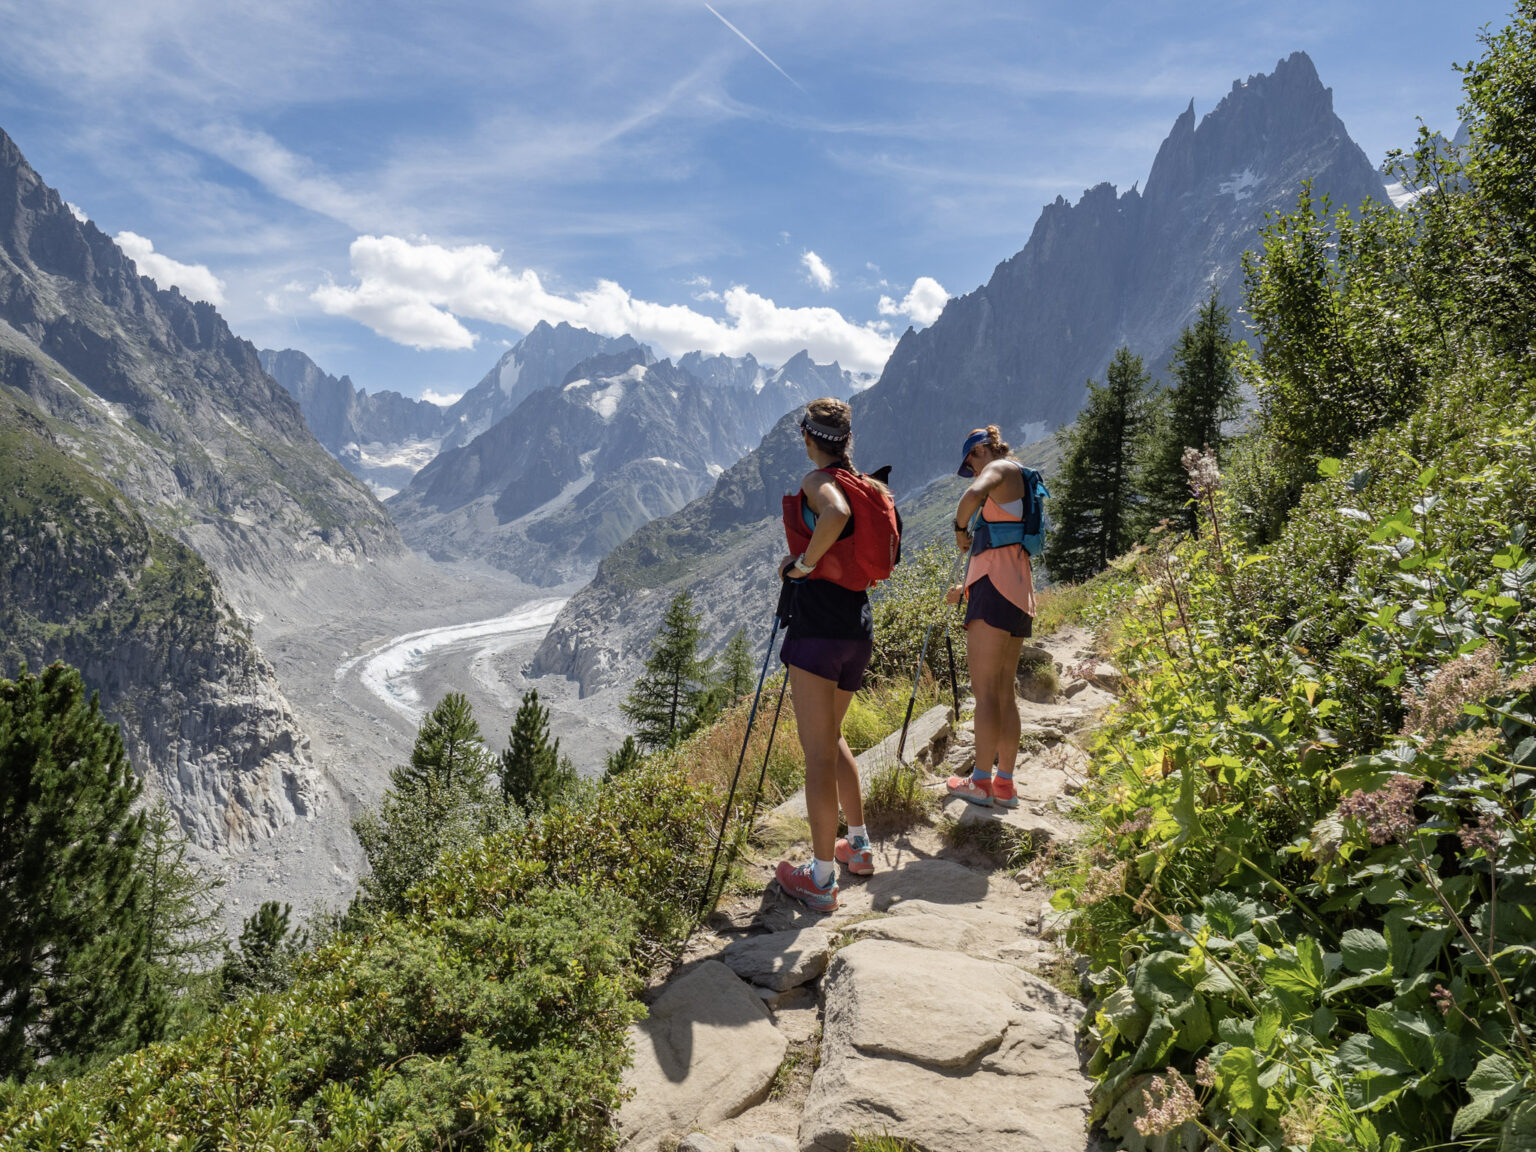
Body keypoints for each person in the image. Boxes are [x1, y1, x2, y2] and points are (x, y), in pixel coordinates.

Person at [773, 398, 879, 912]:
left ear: (810, 439)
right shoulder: (868, 486)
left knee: (816, 754)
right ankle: (857, 847)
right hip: (857, 626)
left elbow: (832, 514)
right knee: (831, 739)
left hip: (817, 629)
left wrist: (803, 563)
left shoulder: (822, 483)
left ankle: (820, 879)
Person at [945, 426, 1035, 809]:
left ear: (983, 449)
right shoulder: (1022, 481)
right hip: (1019, 593)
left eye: (972, 459)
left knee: (984, 694)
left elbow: (971, 495)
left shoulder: (998, 469)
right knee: (1004, 692)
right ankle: (1004, 785)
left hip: (993, 591)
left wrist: (960, 528)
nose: (972, 467)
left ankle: (979, 782)